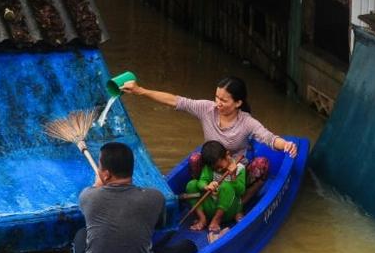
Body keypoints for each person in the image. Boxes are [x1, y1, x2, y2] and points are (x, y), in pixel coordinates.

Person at [122, 76, 297, 206]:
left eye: (224, 100)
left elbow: (269, 138)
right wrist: (140, 91)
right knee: (195, 159)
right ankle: (204, 195)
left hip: (236, 171)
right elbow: (176, 101)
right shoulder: (207, 109)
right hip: (211, 168)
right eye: (216, 97)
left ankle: (240, 203)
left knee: (262, 164)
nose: (218, 103)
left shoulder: (247, 122)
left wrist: (286, 145)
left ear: (238, 103)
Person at [74, 142, 195, 253]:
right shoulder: (155, 197)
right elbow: (160, 226)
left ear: (106, 175)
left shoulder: (87, 196)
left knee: (81, 234)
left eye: (100, 167)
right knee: (189, 246)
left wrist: (97, 184)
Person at [185, 141, 246, 233]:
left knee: (226, 186)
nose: (219, 170)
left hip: (228, 210)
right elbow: (201, 181)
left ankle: (217, 219)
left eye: (220, 166)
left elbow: (241, 191)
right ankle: (202, 218)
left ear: (227, 154)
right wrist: (206, 186)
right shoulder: (209, 167)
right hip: (211, 206)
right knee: (191, 184)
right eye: (215, 168)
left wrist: (233, 176)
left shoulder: (240, 168)